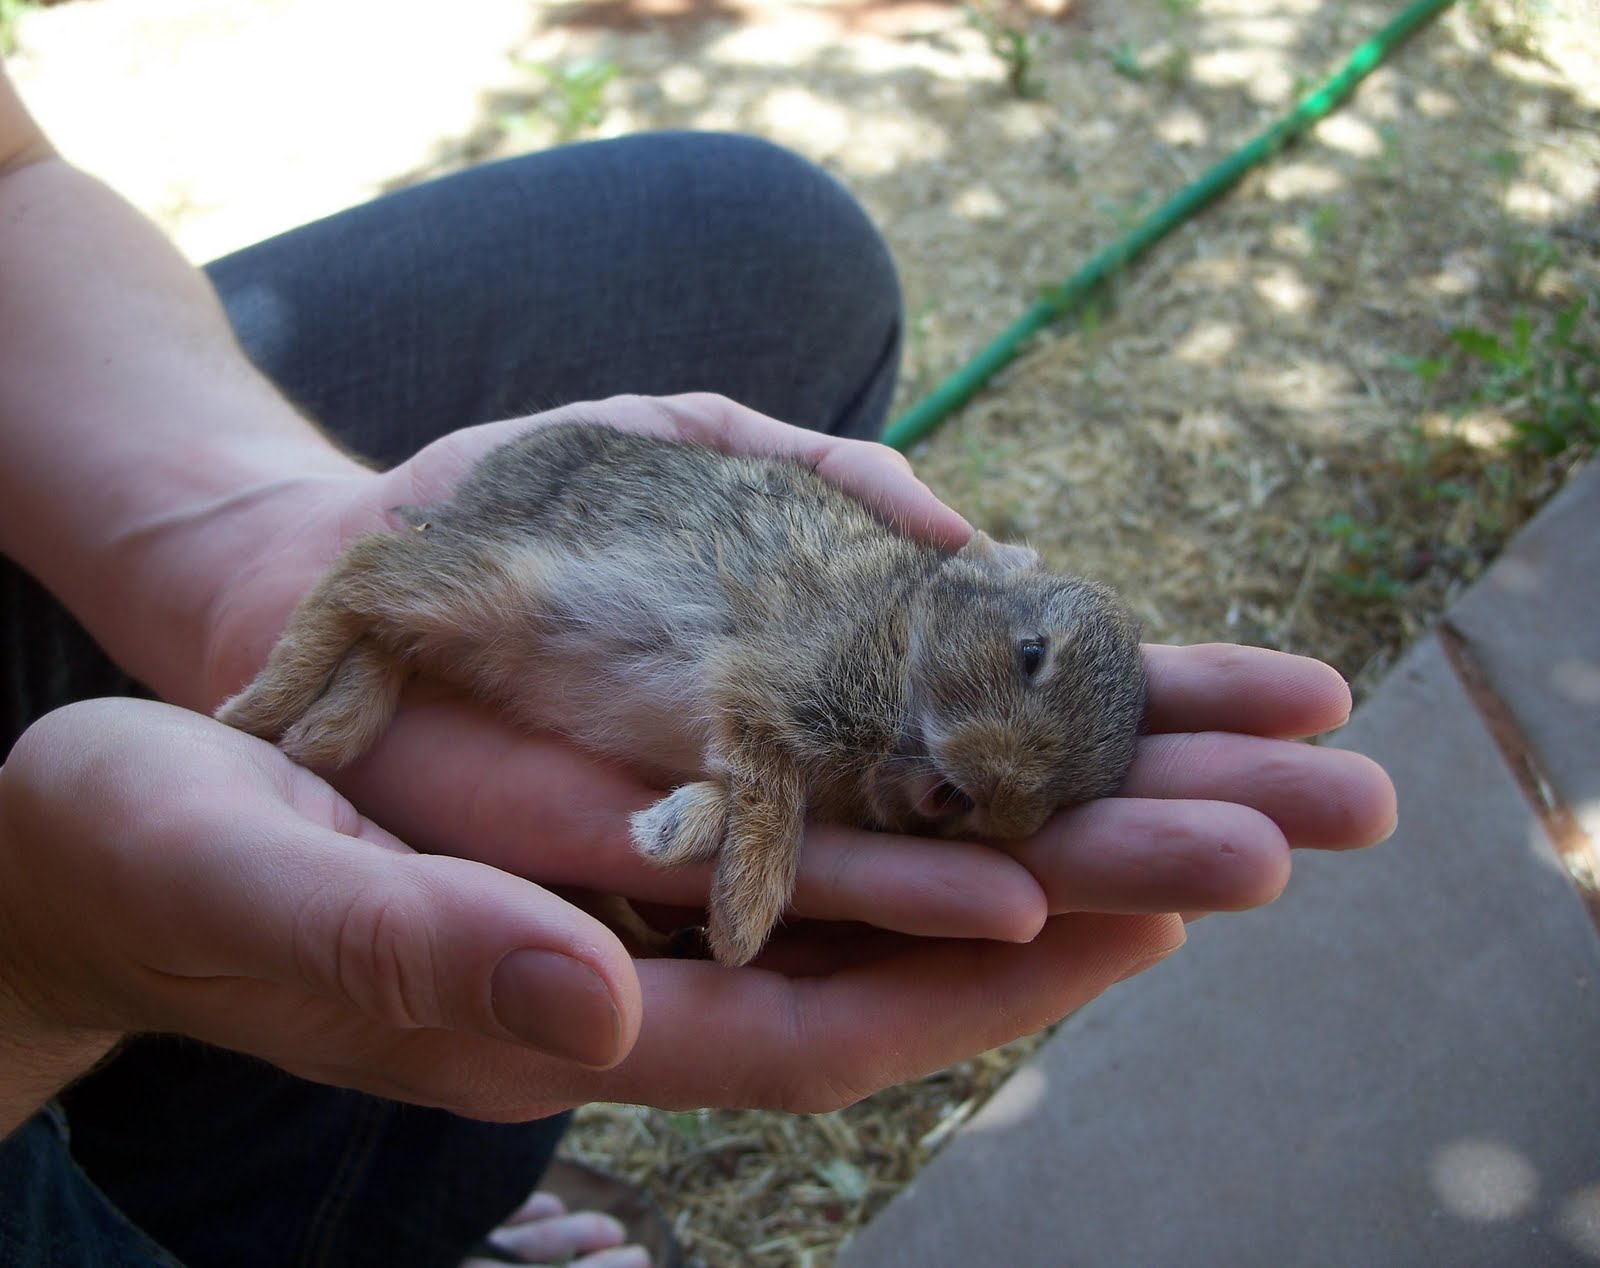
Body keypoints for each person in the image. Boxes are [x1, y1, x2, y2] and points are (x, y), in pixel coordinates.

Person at [0, 52, 1396, 1268]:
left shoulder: (925, 697)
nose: (995, 763)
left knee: (762, 245)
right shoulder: (876, 630)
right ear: (986, 591)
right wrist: (45, 967)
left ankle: (329, 1171)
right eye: (1024, 670)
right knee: (464, 618)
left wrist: (230, 540)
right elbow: (772, 709)